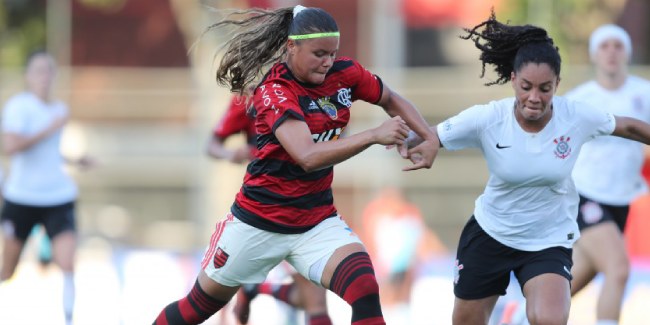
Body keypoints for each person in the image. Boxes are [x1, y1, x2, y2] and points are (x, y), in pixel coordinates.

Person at [153, 5, 437, 325]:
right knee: (196, 309)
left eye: (332, 53)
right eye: (319, 53)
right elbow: (307, 157)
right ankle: (250, 288)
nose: (328, 62)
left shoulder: (344, 73)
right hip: (258, 222)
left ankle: (256, 289)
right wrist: (373, 135)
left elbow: (390, 98)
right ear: (292, 47)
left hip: (315, 219)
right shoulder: (274, 90)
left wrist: (428, 137)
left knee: (363, 286)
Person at [402, 11, 650, 325]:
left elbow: (627, 127)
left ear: (557, 84)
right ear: (513, 80)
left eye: (545, 88)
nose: (534, 97)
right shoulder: (488, 118)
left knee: (549, 319)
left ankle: (517, 315)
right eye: (526, 86)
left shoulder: (576, 116)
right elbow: (433, 135)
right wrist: (409, 140)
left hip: (548, 239)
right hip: (491, 233)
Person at [207, 92, 333, 324]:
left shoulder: (323, 92)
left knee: (312, 301)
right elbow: (212, 144)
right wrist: (229, 153)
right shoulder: (248, 98)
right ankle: (246, 290)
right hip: (262, 212)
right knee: (209, 295)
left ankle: (257, 289)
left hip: (309, 210)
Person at [563, 24, 650, 325]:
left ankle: (518, 316)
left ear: (627, 52)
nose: (611, 52)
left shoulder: (644, 94)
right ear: (594, 55)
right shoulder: (579, 99)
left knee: (569, 282)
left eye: (617, 45)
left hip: (620, 198)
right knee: (618, 268)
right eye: (604, 46)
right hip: (585, 194)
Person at [0, 51, 92, 325]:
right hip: (21, 198)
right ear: (28, 76)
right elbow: (11, 146)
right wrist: (49, 128)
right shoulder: (19, 107)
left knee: (67, 264)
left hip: (58, 197)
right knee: (7, 270)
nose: (44, 77)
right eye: (38, 71)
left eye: (48, 71)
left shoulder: (60, 109)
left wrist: (75, 160)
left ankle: (68, 319)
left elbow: (49, 154)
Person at [359, 187, 446, 323]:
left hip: (401, 263)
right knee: (390, 293)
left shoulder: (407, 218)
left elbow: (421, 238)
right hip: (390, 263)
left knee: (400, 293)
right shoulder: (382, 217)